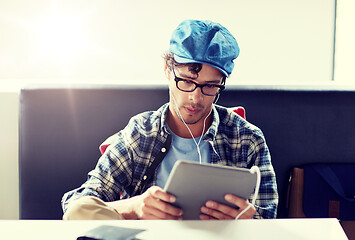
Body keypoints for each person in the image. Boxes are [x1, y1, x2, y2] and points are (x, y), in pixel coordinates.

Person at [61, 19, 278, 220]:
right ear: (167, 69)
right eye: (186, 80)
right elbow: (76, 206)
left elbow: (270, 219)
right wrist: (134, 207)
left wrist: (250, 221)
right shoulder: (139, 134)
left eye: (210, 86)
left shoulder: (248, 138)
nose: (195, 97)